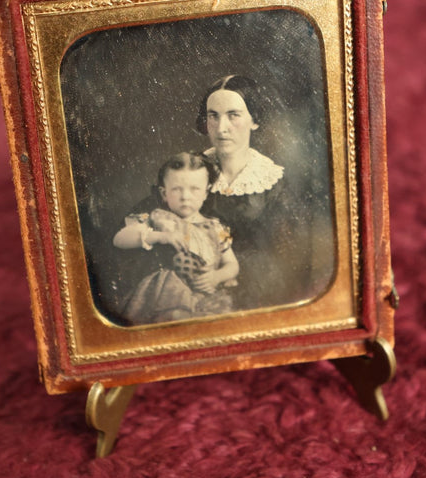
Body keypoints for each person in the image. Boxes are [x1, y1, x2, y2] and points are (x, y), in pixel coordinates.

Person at [196, 75, 308, 310]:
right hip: (195, 289)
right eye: (213, 116)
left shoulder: (273, 182)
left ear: (254, 120)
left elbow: (289, 255)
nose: (221, 128)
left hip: (257, 294)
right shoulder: (190, 170)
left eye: (233, 115)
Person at [113, 152, 239, 325]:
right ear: (164, 193)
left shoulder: (215, 228)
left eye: (194, 189)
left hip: (204, 294)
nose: (185, 196)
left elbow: (232, 265)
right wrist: (160, 236)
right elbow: (119, 239)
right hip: (166, 293)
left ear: (206, 193)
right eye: (177, 189)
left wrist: (216, 277)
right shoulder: (158, 218)